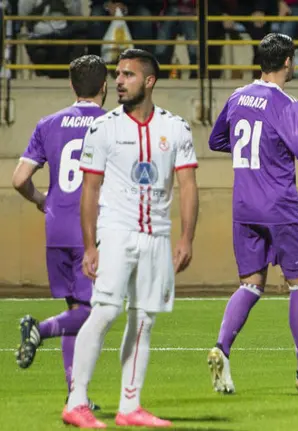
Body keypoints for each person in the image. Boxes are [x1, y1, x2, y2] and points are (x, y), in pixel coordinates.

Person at [63, 48, 200, 428]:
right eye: (118, 75)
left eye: (128, 75)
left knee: (143, 320)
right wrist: (90, 245)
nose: (119, 81)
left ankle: (130, 406)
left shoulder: (175, 128)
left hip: (158, 235)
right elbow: (89, 190)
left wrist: (186, 238)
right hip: (116, 230)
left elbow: (188, 186)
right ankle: (76, 401)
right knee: (106, 310)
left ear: (149, 81)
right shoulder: (103, 127)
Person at [207, 33, 298, 394]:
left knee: (250, 284)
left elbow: (216, 140)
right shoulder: (285, 102)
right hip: (280, 205)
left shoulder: (238, 97)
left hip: (244, 206)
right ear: (287, 61)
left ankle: (221, 347)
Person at [13, 54, 107, 411]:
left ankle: (75, 394)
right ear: (104, 86)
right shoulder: (112, 123)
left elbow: (19, 179)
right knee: (98, 310)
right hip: (92, 230)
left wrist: (41, 201)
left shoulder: (48, 123)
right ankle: (40, 329)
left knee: (76, 308)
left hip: (56, 226)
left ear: (71, 85)